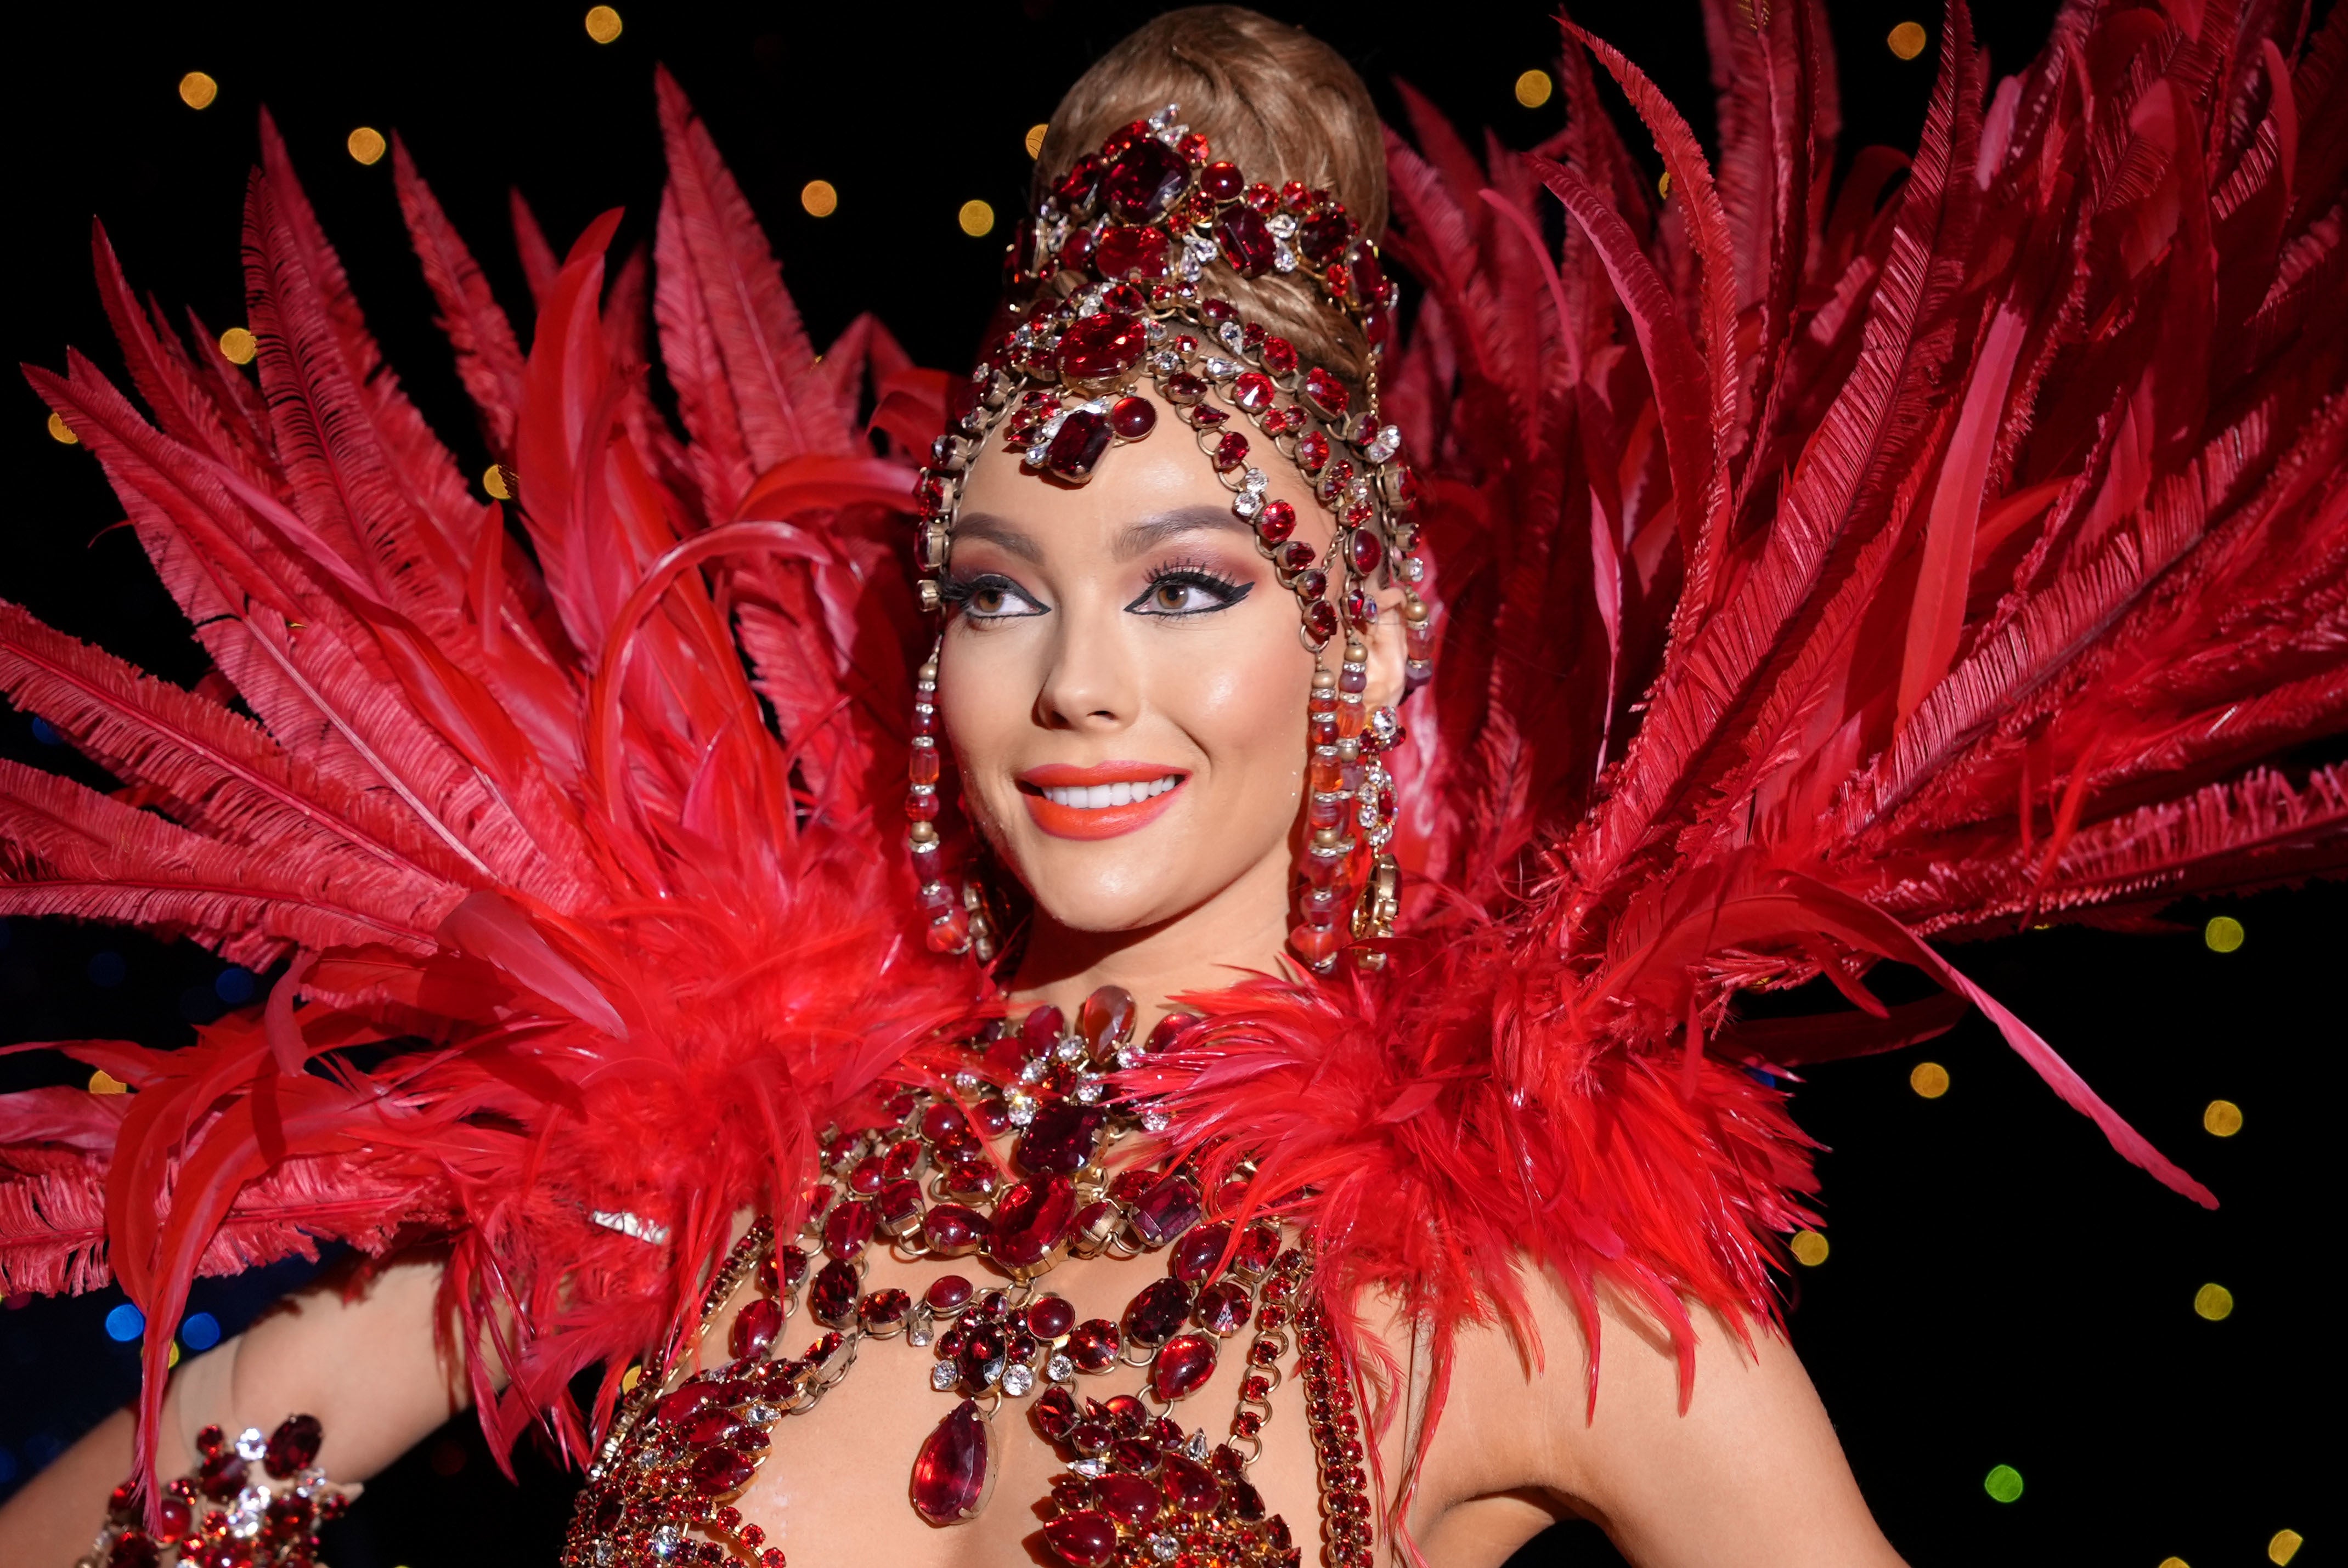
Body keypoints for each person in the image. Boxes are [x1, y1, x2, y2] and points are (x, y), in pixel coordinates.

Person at [2, 4, 2340, 1566]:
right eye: (1004, 594)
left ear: (1371, 646)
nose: (1078, 690)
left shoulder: (1526, 1273)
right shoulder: (696, 1163)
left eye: (1191, 585)